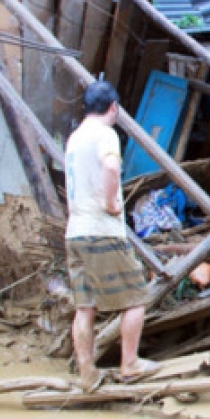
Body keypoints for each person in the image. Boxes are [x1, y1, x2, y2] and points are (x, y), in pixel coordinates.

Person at [64, 80, 160, 391]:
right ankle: (130, 364)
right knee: (135, 298)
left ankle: (87, 372)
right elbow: (110, 167)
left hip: (75, 233)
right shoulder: (106, 134)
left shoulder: (75, 138)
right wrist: (112, 203)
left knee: (85, 306)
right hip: (101, 232)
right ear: (114, 107)